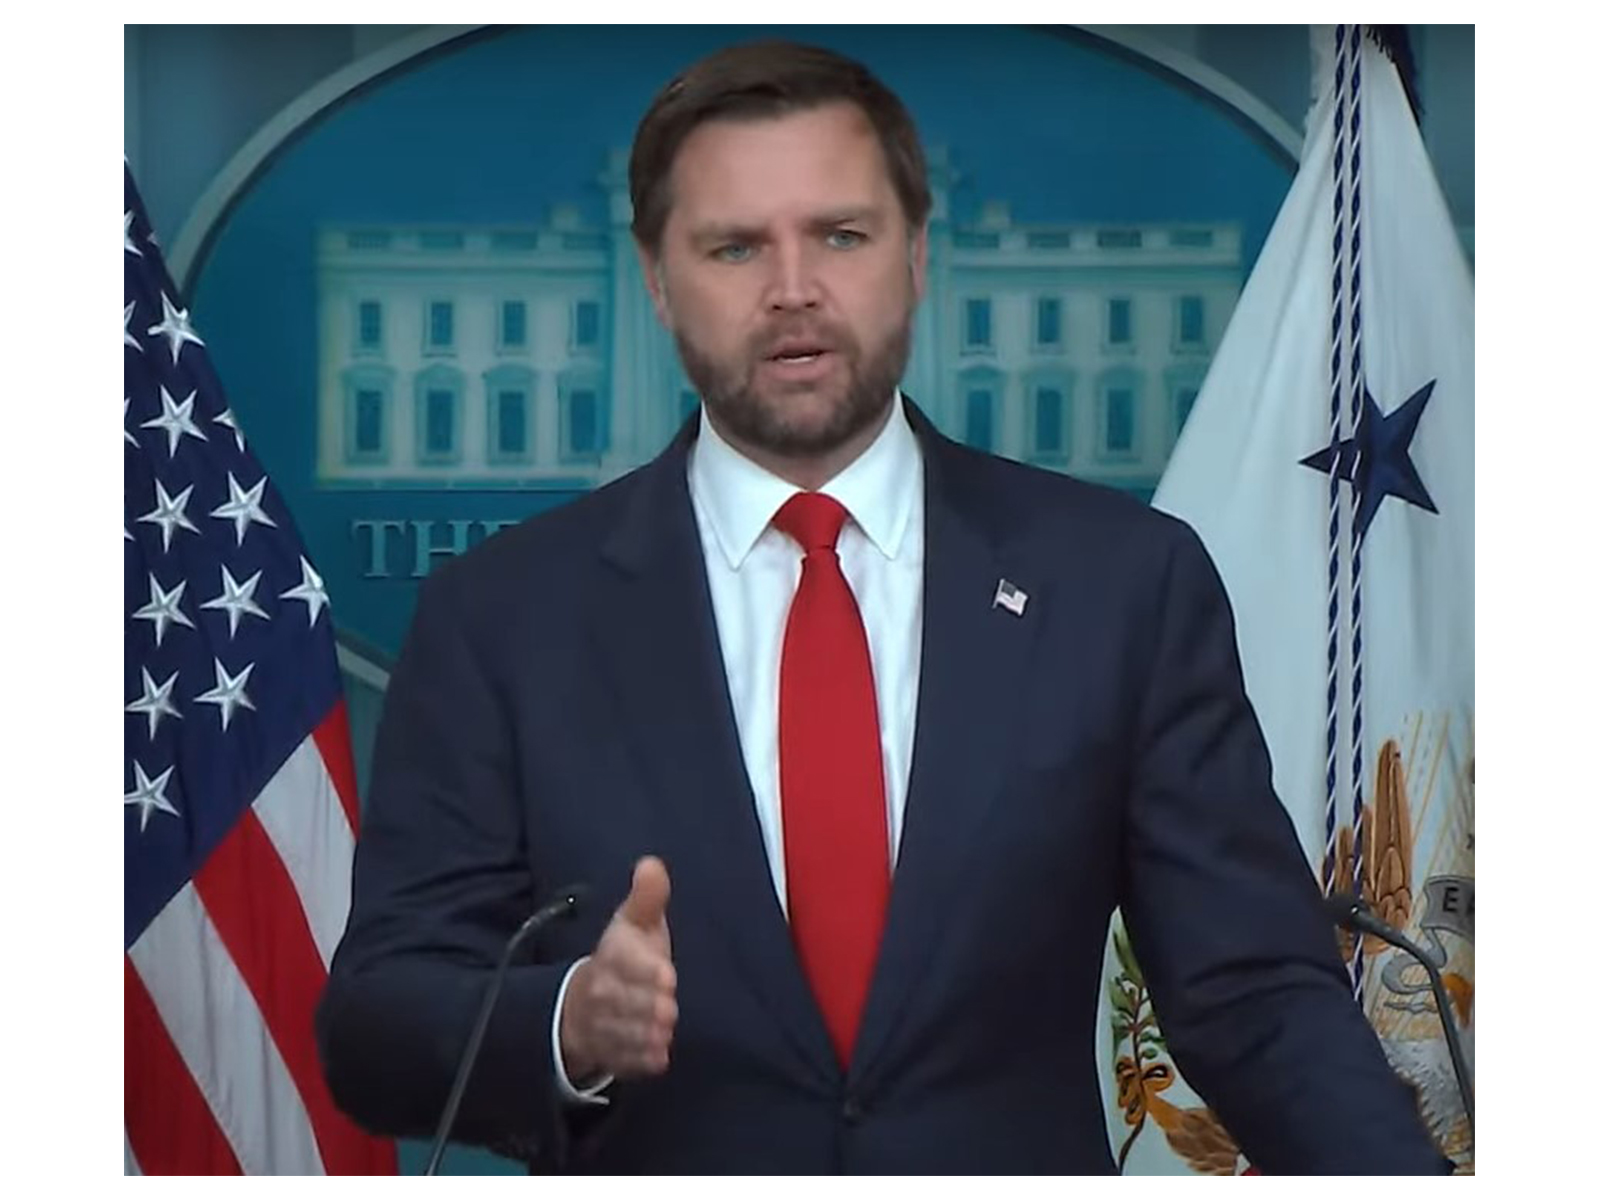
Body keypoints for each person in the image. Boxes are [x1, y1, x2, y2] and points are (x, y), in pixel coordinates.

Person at [316, 40, 1449, 1174]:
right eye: (734, 246)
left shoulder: (1119, 587)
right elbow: (376, 1028)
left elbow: (1252, 994)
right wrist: (565, 1022)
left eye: (841, 236)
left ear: (915, 256)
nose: (793, 287)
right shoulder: (504, 617)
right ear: (656, 279)